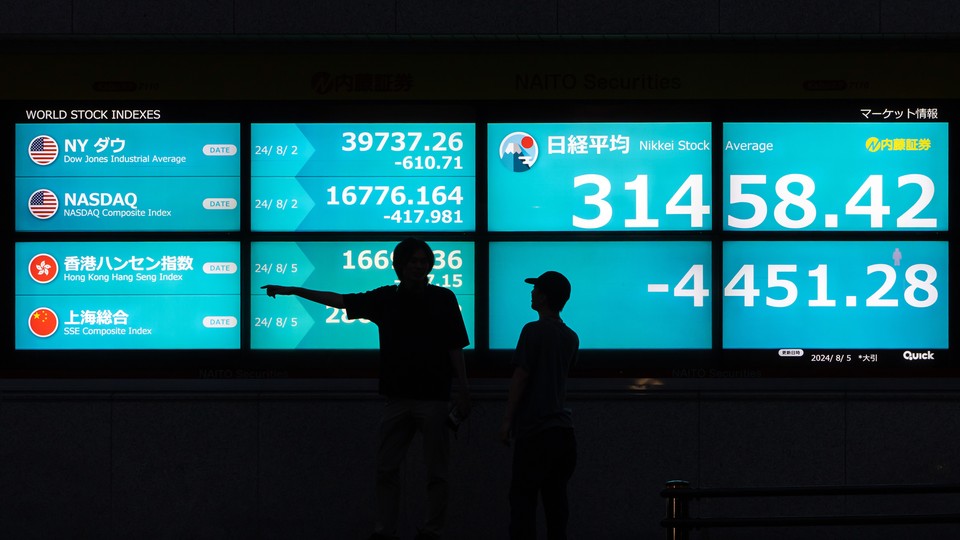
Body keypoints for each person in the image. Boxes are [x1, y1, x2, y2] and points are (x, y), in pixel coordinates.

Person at [262, 237, 471, 540]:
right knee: (390, 469)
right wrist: (295, 290)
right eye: (413, 261)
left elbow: (455, 347)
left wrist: (464, 390)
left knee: (432, 472)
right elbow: (340, 300)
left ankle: (428, 530)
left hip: (432, 397)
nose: (419, 266)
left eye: (423, 261)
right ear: (399, 266)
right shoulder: (386, 298)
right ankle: (390, 529)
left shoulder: (443, 298)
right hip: (400, 397)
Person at [499, 270, 579, 540]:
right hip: (563, 434)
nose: (531, 293)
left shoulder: (532, 330)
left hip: (535, 431)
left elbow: (521, 376)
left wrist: (508, 421)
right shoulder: (571, 336)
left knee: (523, 504)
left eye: (536, 290)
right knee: (556, 504)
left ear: (543, 297)